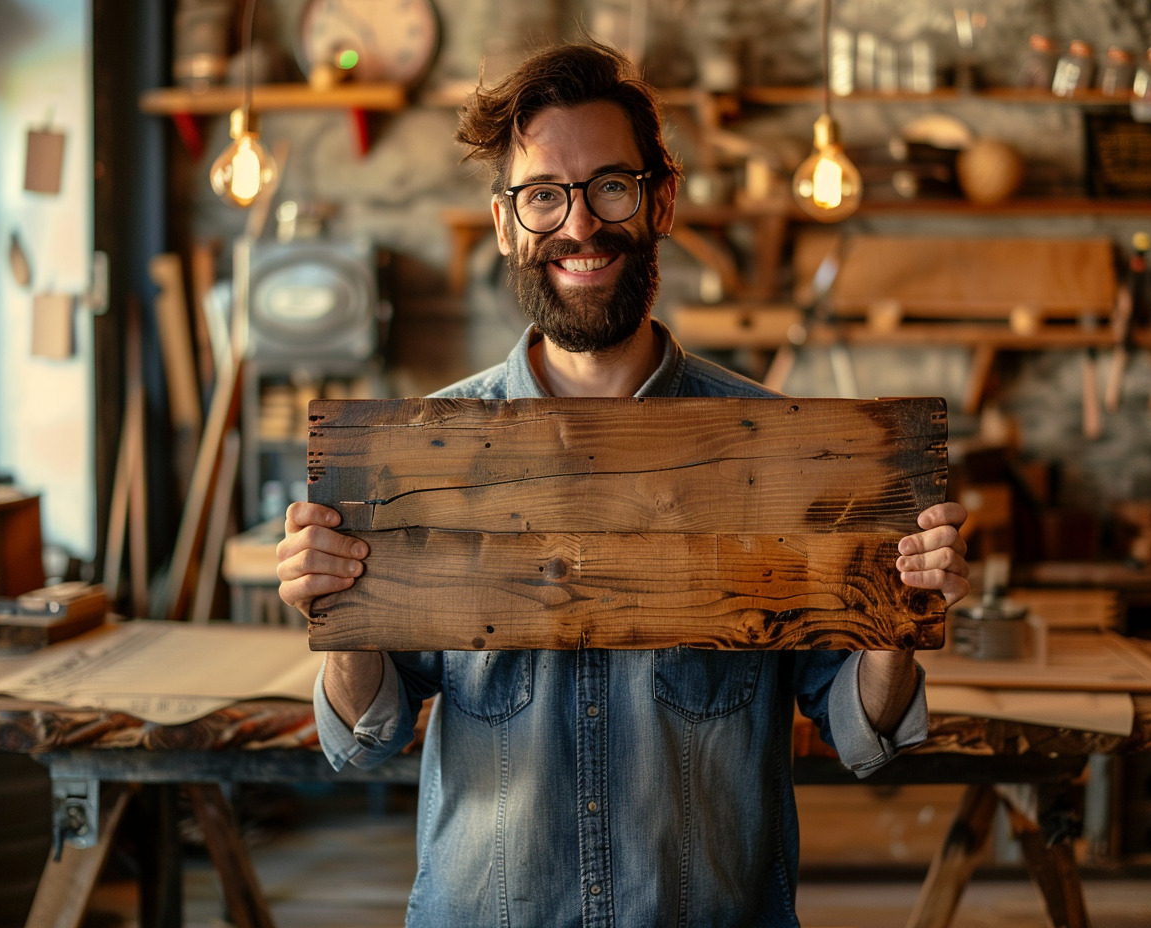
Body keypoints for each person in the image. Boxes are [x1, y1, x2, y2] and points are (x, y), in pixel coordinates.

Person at [277, 39, 969, 928]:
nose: (578, 225)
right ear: (505, 222)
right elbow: (364, 737)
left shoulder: (782, 453)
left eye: (610, 185)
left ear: (661, 199)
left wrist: (897, 615)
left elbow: (860, 731)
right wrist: (341, 615)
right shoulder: (423, 459)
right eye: (542, 196)